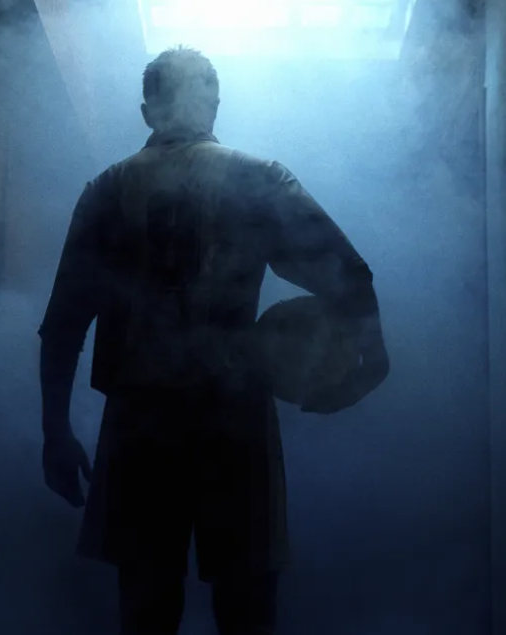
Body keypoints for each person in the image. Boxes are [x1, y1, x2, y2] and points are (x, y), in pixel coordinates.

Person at [38, 45, 389, 635]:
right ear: (215, 104)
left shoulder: (107, 190)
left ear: (147, 110)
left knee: (146, 607)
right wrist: (373, 361)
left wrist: (55, 430)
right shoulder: (258, 178)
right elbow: (349, 274)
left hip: (140, 415)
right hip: (234, 412)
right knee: (247, 604)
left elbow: (64, 323)